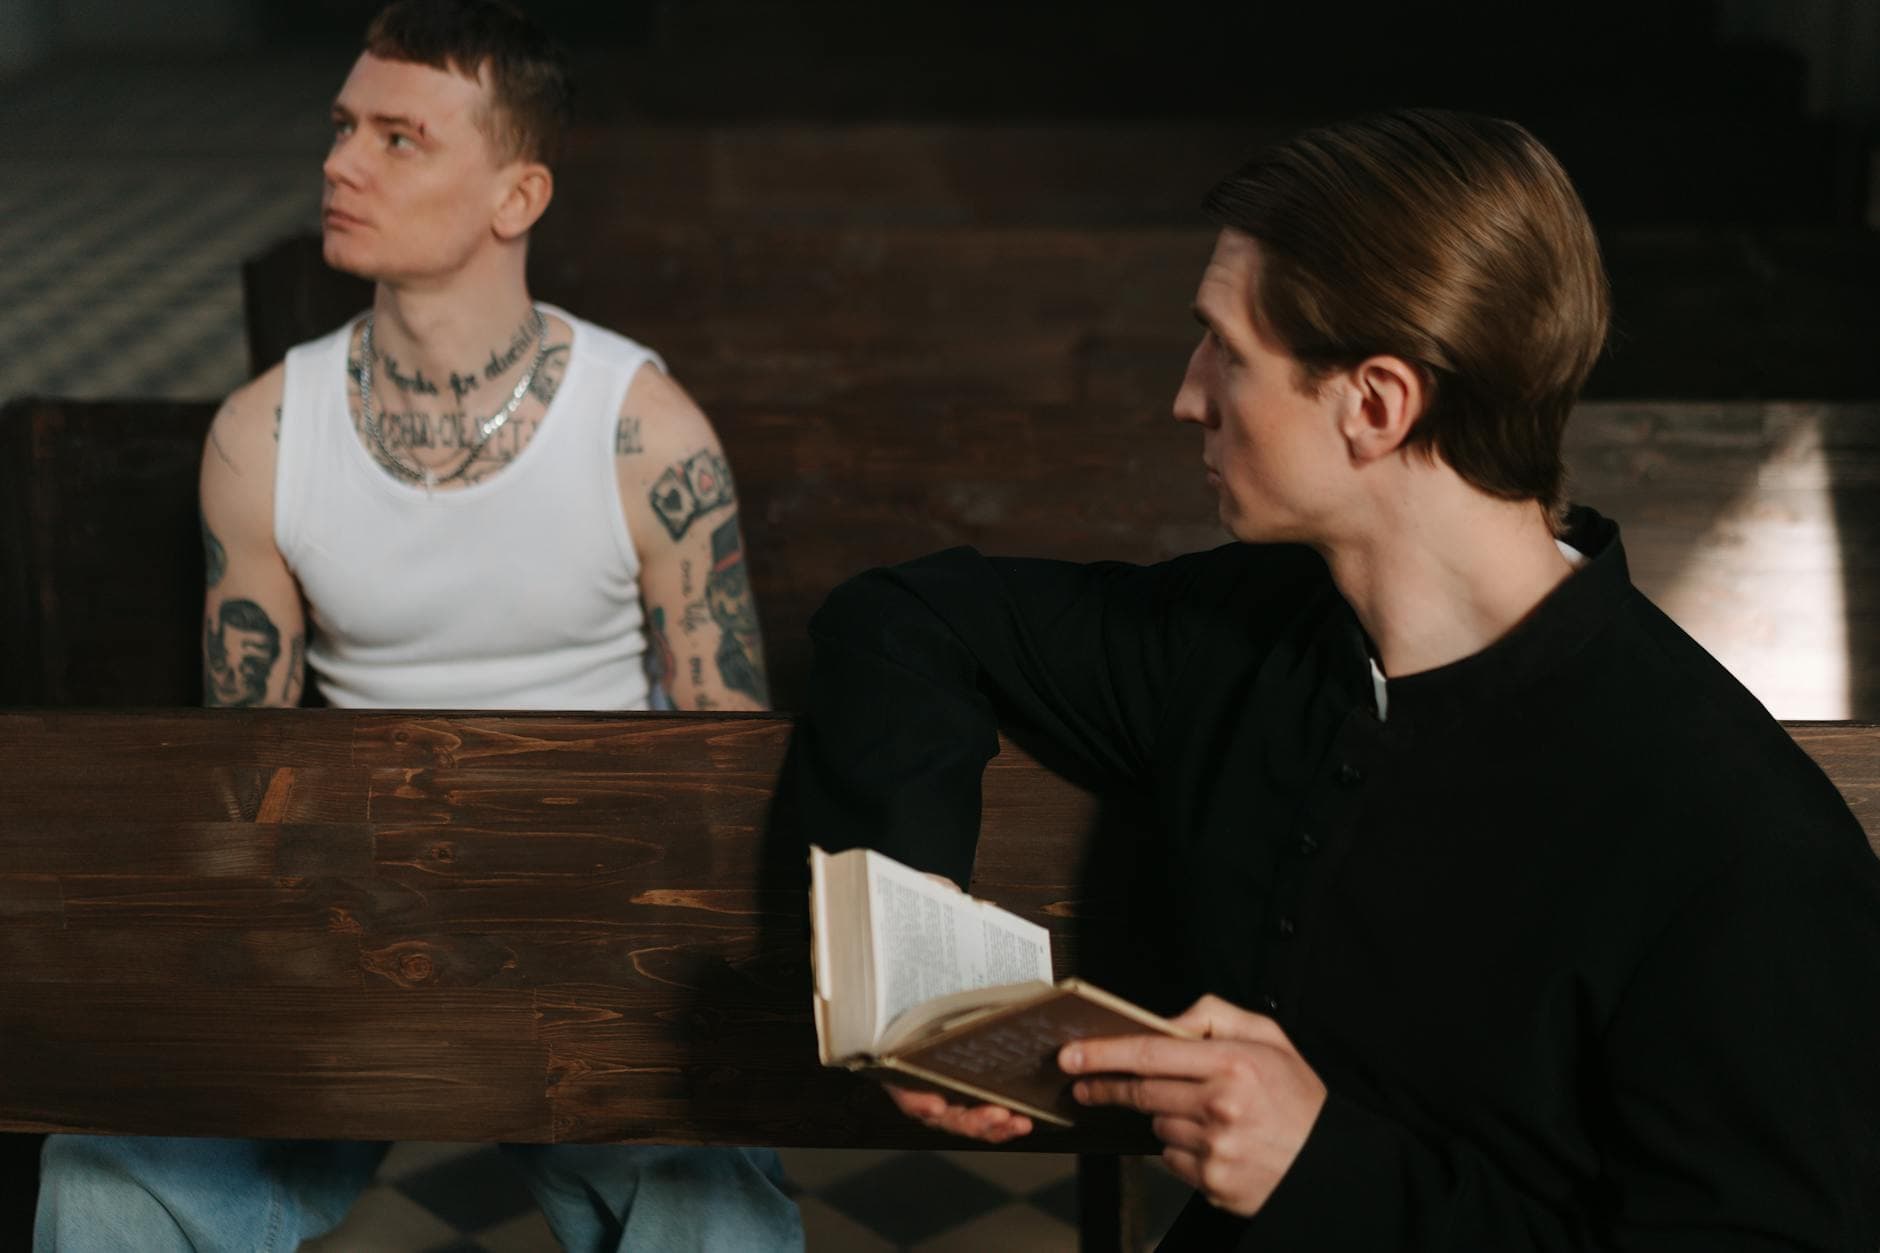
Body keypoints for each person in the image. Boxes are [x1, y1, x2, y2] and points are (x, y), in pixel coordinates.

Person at [787, 109, 1880, 1250]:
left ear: (1375, 405)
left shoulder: (1735, 836)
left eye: (1226, 350)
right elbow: (905, 618)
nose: (1188, 396)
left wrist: (1322, 1167)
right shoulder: (1244, 631)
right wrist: (917, 959)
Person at [34, 2, 800, 1250]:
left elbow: (727, 761)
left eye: (399, 138)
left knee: (707, 1199)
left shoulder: (645, 434)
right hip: (357, 907)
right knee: (106, 1169)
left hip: (593, 911)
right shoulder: (263, 435)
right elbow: (247, 770)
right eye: (343, 127)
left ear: (516, 195)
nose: (340, 162)